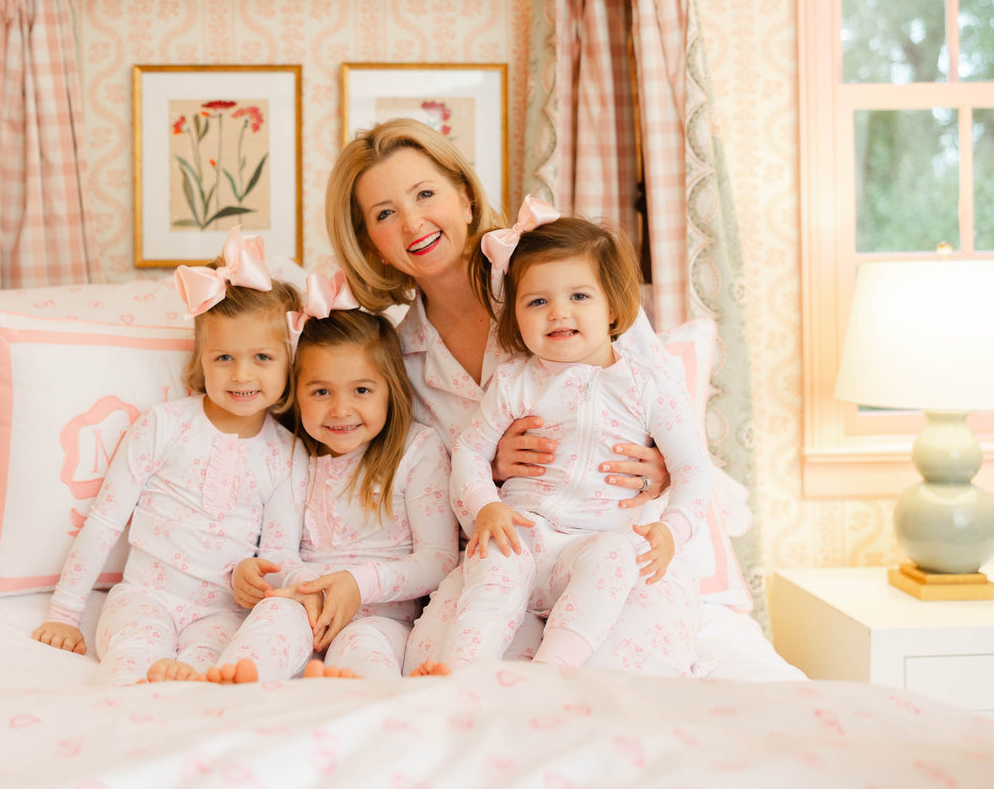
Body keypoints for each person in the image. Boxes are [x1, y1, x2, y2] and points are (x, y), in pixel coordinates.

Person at [324, 118, 693, 676]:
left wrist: (664, 468)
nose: (413, 222)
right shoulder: (395, 362)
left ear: (467, 199)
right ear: (371, 244)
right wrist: (489, 469)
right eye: (384, 214)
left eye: (425, 194)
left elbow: (669, 409)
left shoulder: (565, 285)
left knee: (609, 683)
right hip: (506, 556)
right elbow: (425, 492)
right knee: (449, 667)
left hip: (611, 546)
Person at [428, 201, 711, 671]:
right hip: (524, 533)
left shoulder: (649, 387)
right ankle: (459, 672)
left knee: (617, 556)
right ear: (516, 318)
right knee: (495, 564)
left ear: (614, 306)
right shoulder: (516, 381)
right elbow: (470, 450)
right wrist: (485, 505)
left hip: (592, 544)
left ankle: (553, 669)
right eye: (538, 301)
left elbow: (693, 470)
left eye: (579, 296)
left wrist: (671, 529)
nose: (558, 312)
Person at [30, 228, 308, 684]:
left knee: (211, 670)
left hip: (222, 612)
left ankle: (185, 709)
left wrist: (258, 576)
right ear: (200, 359)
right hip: (144, 596)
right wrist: (64, 612)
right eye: (223, 358)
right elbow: (104, 522)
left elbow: (278, 552)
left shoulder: (287, 454)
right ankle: (128, 708)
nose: (242, 374)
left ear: (288, 363)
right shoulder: (162, 426)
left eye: (262, 357)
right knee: (133, 655)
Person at [205, 272, 457, 683]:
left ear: (391, 389)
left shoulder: (417, 451)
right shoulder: (292, 453)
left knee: (363, 646)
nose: (340, 410)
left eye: (361, 390)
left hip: (380, 617)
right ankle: (237, 684)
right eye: (321, 392)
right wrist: (306, 588)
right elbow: (278, 551)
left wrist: (356, 585)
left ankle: (359, 698)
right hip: (303, 603)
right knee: (272, 615)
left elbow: (439, 560)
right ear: (296, 392)